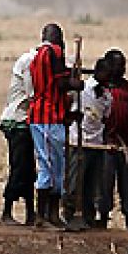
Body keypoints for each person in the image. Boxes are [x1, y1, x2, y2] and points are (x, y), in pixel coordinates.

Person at [27, 24, 81, 229]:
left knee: (46, 162)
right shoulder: (53, 52)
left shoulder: (35, 56)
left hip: (39, 115)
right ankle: (46, 215)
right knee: (53, 165)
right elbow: (60, 84)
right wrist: (75, 83)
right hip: (50, 115)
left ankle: (47, 214)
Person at [62, 55, 113, 232]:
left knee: (92, 184)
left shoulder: (107, 96)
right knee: (75, 182)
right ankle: (70, 215)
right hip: (79, 142)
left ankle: (88, 216)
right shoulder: (82, 90)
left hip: (96, 144)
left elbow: (105, 120)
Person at [99, 50, 128, 229]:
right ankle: (102, 221)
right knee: (104, 184)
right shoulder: (98, 89)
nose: (121, 69)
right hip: (104, 145)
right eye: (118, 65)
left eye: (123, 65)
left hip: (126, 145)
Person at [0, 45, 37, 225]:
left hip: (26, 121)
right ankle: (6, 212)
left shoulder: (33, 60)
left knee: (28, 169)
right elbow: (32, 93)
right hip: (17, 121)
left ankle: (30, 213)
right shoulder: (30, 62)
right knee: (19, 167)